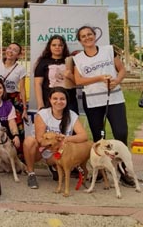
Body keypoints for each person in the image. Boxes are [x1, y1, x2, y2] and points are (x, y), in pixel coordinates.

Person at [72, 25, 134, 187]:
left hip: (114, 99)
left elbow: (121, 70)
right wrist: (99, 78)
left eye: (89, 34)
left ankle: (123, 169)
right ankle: (100, 169)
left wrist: (117, 81)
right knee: (99, 137)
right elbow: (78, 80)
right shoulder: (78, 58)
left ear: (95, 36)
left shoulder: (108, 50)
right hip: (93, 102)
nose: (87, 38)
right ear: (80, 41)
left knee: (121, 133)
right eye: (83, 36)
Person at [33, 87, 88, 189]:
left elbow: (84, 136)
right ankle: (31, 174)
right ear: (50, 100)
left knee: (68, 152)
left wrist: (66, 139)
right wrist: (51, 145)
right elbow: (39, 138)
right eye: (55, 98)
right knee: (29, 141)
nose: (59, 101)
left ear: (67, 101)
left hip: (60, 151)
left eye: (62, 99)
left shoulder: (72, 115)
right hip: (46, 149)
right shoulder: (43, 114)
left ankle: (57, 167)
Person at [33, 35, 77, 113]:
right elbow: (37, 84)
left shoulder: (70, 61)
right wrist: (40, 104)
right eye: (54, 45)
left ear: (64, 47)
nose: (57, 47)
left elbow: (78, 81)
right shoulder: (43, 62)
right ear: (49, 47)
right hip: (49, 102)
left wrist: (70, 76)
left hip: (69, 102)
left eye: (60, 45)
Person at [0, 43, 28, 124]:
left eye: (15, 50)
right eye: (9, 48)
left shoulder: (21, 69)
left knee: (16, 123)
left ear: (18, 55)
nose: (11, 51)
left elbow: (22, 89)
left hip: (13, 98)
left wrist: (25, 108)